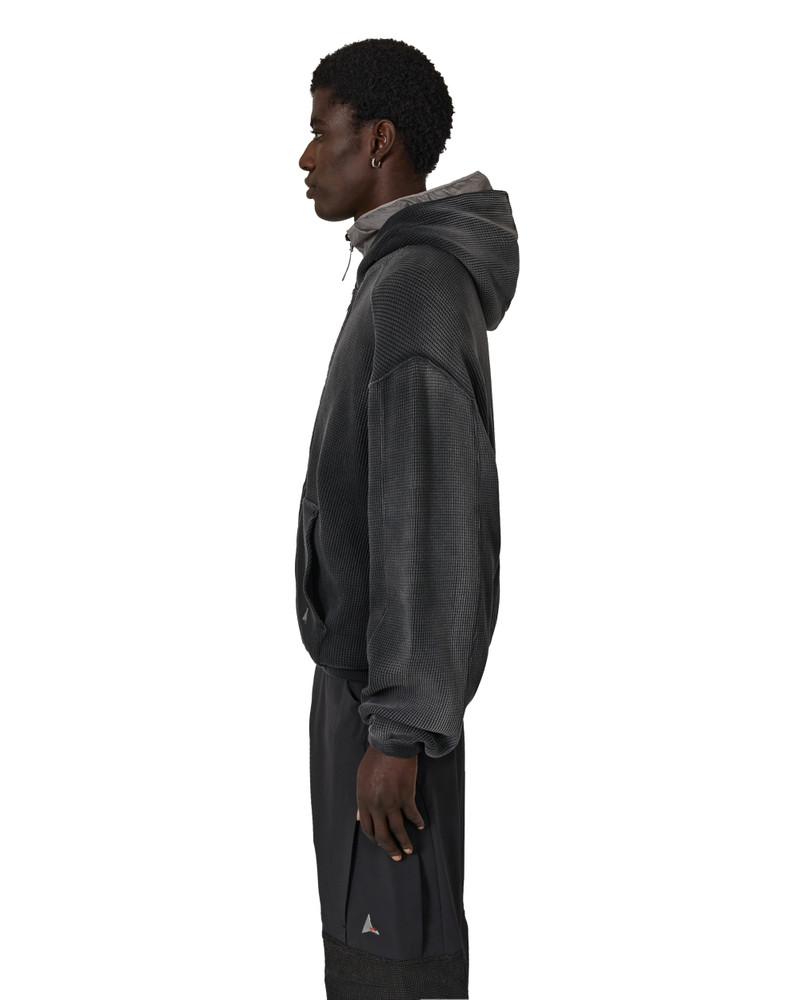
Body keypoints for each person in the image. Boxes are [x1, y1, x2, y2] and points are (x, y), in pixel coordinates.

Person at [295, 38, 519, 999]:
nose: (306, 157)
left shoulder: (417, 288)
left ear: (378, 139)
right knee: (366, 960)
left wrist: (397, 733)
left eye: (322, 132)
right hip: (370, 694)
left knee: (393, 974)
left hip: (386, 707)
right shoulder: (396, 274)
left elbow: (429, 522)